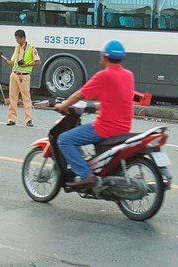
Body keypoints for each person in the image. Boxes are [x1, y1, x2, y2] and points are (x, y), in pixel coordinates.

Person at [54, 40, 134, 190]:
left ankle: (86, 175)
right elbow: (117, 100)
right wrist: (97, 106)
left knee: (64, 139)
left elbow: (79, 95)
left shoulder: (103, 75)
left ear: (103, 57)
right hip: (125, 127)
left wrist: (62, 105)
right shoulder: (128, 75)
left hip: (105, 128)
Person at [2, 29, 41, 126]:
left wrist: (27, 64)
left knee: (26, 98)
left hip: (24, 75)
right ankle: (12, 119)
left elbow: (38, 62)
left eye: (18, 38)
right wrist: (7, 61)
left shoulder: (31, 48)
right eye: (16, 39)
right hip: (14, 74)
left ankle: (28, 119)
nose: (17, 40)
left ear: (23, 38)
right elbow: (13, 62)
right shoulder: (17, 48)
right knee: (12, 97)